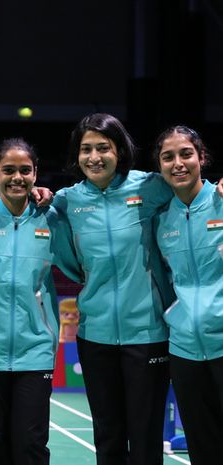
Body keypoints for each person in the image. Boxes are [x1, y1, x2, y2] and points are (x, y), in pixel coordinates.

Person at [51, 113, 176, 465]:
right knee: (108, 436)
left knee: (146, 436)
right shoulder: (67, 201)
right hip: (96, 337)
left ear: (119, 150)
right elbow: (65, 256)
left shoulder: (149, 187)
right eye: (86, 149)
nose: (94, 157)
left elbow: (191, 194)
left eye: (103, 148)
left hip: (149, 332)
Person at [0, 138, 74, 465]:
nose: (17, 177)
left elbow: (77, 266)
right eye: (8, 170)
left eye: (25, 170)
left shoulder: (51, 220)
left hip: (35, 350)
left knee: (31, 445)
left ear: (36, 173)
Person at [154, 126, 223, 465]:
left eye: (186, 154)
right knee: (202, 445)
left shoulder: (221, 202)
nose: (178, 163)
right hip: (185, 351)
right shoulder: (161, 221)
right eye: (168, 157)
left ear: (202, 158)